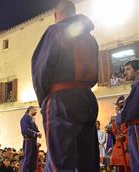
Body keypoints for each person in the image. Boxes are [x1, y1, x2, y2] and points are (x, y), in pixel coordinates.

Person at [31, 0, 99, 171]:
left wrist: (43, 101)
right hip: (88, 99)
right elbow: (96, 75)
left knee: (59, 162)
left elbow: (41, 69)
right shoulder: (91, 39)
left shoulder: (55, 31)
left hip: (61, 100)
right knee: (87, 161)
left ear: (56, 15)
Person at [116, 59, 139, 171]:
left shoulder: (138, 85)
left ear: (137, 70)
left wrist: (118, 118)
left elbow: (130, 110)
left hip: (136, 127)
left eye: (128, 69)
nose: (125, 73)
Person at [20, 106, 42, 172]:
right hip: (28, 141)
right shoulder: (25, 118)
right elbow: (25, 130)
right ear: (30, 109)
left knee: (33, 160)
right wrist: (35, 133)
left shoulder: (32, 119)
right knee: (27, 158)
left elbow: (36, 130)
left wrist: (38, 133)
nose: (36, 111)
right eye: (35, 110)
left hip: (34, 141)